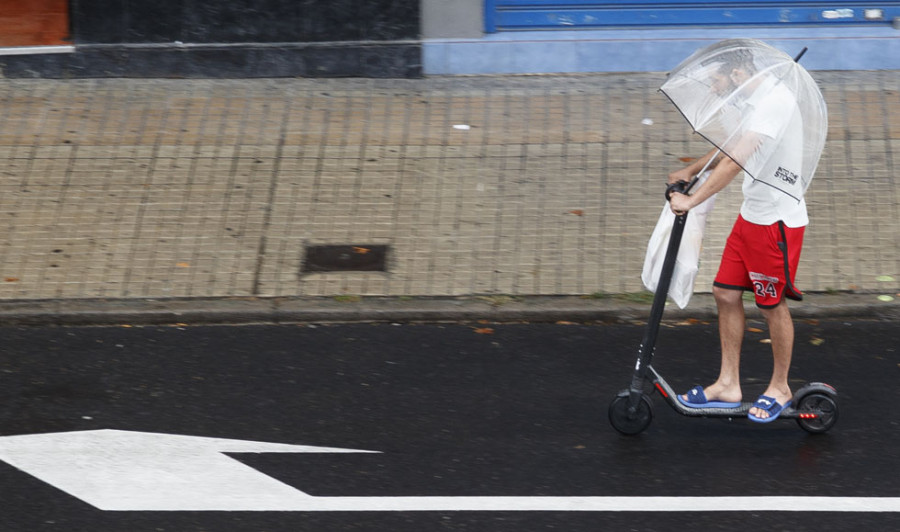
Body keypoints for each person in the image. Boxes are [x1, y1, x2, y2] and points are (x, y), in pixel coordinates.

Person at [667, 49, 806, 423]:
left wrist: (692, 200)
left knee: (770, 304)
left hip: (776, 222)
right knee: (725, 293)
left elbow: (735, 160)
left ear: (740, 72)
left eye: (717, 80)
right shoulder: (754, 100)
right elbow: (729, 144)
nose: (713, 87)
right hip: (751, 217)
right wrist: (690, 169)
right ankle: (728, 383)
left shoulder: (775, 102)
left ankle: (780, 387)